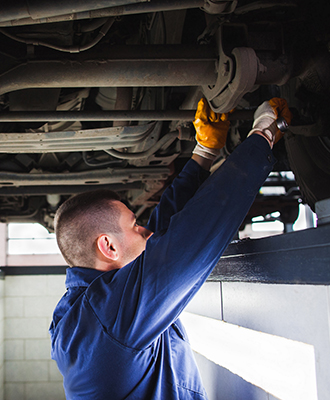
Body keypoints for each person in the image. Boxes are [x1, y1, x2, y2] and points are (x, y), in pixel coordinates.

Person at [49, 97, 291, 399]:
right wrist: (262, 136)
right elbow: (187, 241)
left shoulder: (87, 312)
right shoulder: (104, 321)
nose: (145, 232)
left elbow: (162, 236)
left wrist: (204, 152)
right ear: (108, 246)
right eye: (136, 226)